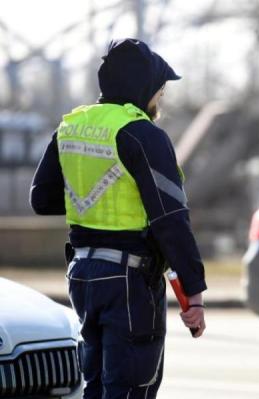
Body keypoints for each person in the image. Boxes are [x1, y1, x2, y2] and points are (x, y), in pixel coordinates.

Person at [30, 38, 207, 399]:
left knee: (93, 387)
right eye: (160, 91)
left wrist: (92, 199)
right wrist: (194, 293)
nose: (162, 100)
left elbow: (42, 198)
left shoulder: (70, 127)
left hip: (81, 276)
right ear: (145, 89)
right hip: (129, 281)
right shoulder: (142, 134)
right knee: (129, 389)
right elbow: (171, 219)